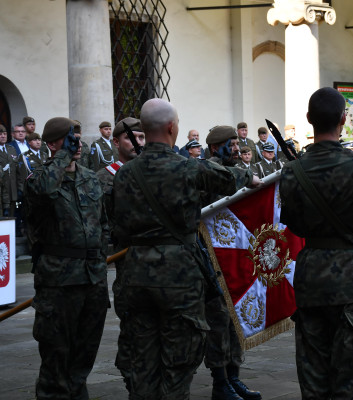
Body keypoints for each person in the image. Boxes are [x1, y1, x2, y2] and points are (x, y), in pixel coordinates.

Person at [112, 99, 260, 399]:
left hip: (136, 274)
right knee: (179, 360)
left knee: (142, 358)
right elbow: (232, 178)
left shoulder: (125, 174)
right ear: (171, 127)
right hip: (178, 276)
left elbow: (119, 227)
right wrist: (251, 177)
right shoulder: (188, 168)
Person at [279, 87, 353, 399]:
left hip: (312, 275)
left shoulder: (292, 171)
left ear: (308, 120)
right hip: (352, 279)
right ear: (344, 119)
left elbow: (293, 222)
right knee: (352, 377)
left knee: (313, 373)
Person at [24, 117, 109, 399]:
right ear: (51, 144)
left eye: (78, 137)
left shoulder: (89, 177)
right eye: (68, 138)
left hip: (92, 278)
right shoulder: (39, 177)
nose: (77, 143)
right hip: (58, 282)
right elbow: (45, 190)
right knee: (56, 357)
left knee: (84, 355)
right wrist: (62, 156)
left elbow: (102, 221)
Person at [204, 125, 263, 400]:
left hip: (235, 257)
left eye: (238, 145)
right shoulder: (210, 169)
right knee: (218, 321)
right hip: (213, 261)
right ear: (216, 147)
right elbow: (232, 179)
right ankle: (220, 382)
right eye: (232, 145)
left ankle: (234, 376)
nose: (238, 150)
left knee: (234, 320)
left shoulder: (236, 169)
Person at [95, 116, 145, 392]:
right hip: (126, 260)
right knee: (132, 323)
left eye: (141, 137)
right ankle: (130, 376)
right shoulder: (104, 177)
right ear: (115, 142)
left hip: (155, 261)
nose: (138, 142)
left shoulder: (150, 171)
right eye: (131, 138)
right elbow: (101, 223)